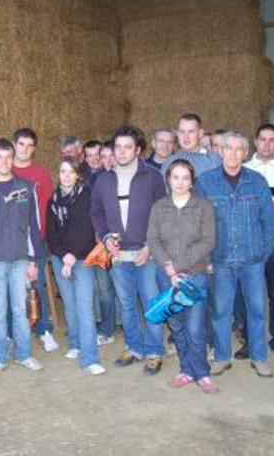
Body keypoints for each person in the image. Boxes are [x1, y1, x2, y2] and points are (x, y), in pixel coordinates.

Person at [196, 131, 274, 378]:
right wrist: (206, 259)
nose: (232, 153)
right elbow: (199, 222)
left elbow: (269, 221)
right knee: (221, 312)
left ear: (245, 152)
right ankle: (222, 357)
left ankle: (259, 357)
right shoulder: (206, 182)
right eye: (227, 148)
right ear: (221, 151)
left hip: (252, 260)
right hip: (220, 261)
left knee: (257, 311)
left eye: (237, 149)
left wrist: (262, 254)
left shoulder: (257, 181)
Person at [91, 125, 167, 374]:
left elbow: (162, 214)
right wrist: (104, 238)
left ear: (138, 150)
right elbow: (97, 213)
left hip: (146, 254)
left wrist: (151, 246)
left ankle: (155, 351)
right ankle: (134, 347)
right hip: (118, 256)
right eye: (118, 147)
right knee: (126, 304)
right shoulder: (103, 180)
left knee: (151, 303)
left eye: (128, 147)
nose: (122, 152)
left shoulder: (153, 177)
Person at [0, 138, 45, 377]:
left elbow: (35, 226)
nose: (3, 162)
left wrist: (34, 260)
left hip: (21, 260)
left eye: (8, 157)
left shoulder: (26, 187)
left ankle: (23, 355)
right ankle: (0, 358)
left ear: (13, 159)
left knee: (20, 311)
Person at [147, 159, 218, 393]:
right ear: (168, 179)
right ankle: (186, 369)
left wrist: (178, 266)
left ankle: (202, 372)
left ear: (191, 181)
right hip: (166, 277)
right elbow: (153, 240)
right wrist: (168, 268)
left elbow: (208, 241)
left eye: (185, 178)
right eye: (175, 177)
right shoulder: (159, 207)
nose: (180, 182)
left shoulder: (203, 207)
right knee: (176, 326)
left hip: (193, 275)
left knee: (196, 328)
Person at [241, 124, 274, 363]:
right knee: (249, 294)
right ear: (255, 141)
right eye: (262, 139)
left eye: (272, 140)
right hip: (251, 243)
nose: (266, 144)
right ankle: (249, 339)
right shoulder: (243, 169)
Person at [45, 157, 106, 375]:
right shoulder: (53, 201)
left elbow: (88, 232)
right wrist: (63, 255)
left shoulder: (87, 197)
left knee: (85, 307)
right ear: (58, 174)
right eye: (63, 171)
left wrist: (73, 256)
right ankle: (75, 344)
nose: (67, 175)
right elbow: (51, 235)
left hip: (83, 259)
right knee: (69, 305)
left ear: (78, 174)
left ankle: (90, 357)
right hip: (61, 259)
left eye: (71, 171)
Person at [11, 128, 59, 352]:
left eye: (30, 145)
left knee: (36, 286)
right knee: (12, 288)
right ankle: (14, 333)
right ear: (14, 145)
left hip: (35, 241)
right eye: (21, 144)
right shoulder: (5, 170)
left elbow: (46, 209)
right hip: (9, 244)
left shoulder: (41, 175)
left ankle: (44, 329)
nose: (25, 149)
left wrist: (40, 239)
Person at [160, 113, 221, 180]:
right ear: (177, 133)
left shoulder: (213, 161)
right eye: (182, 132)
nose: (186, 137)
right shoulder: (169, 162)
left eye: (191, 132)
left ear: (200, 133)